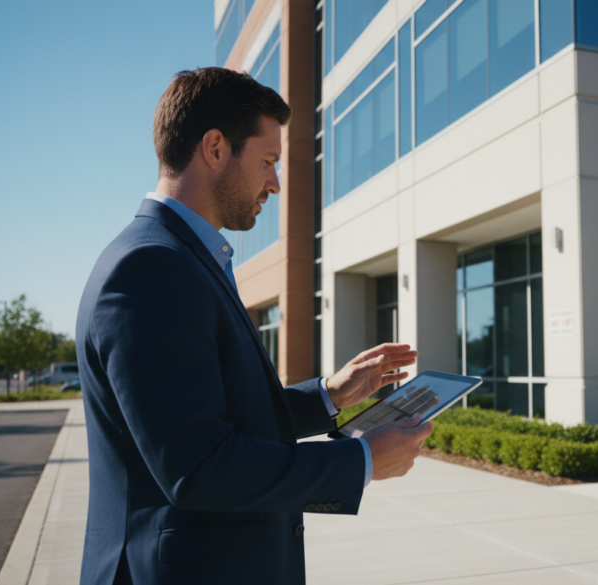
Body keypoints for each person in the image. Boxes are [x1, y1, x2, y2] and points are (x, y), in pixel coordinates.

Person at [76, 67, 433, 585]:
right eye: (268, 161)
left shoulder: (181, 259)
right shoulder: (153, 269)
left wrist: (331, 394)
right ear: (215, 148)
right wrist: (361, 459)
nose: (276, 182)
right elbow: (199, 465)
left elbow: (219, 417)